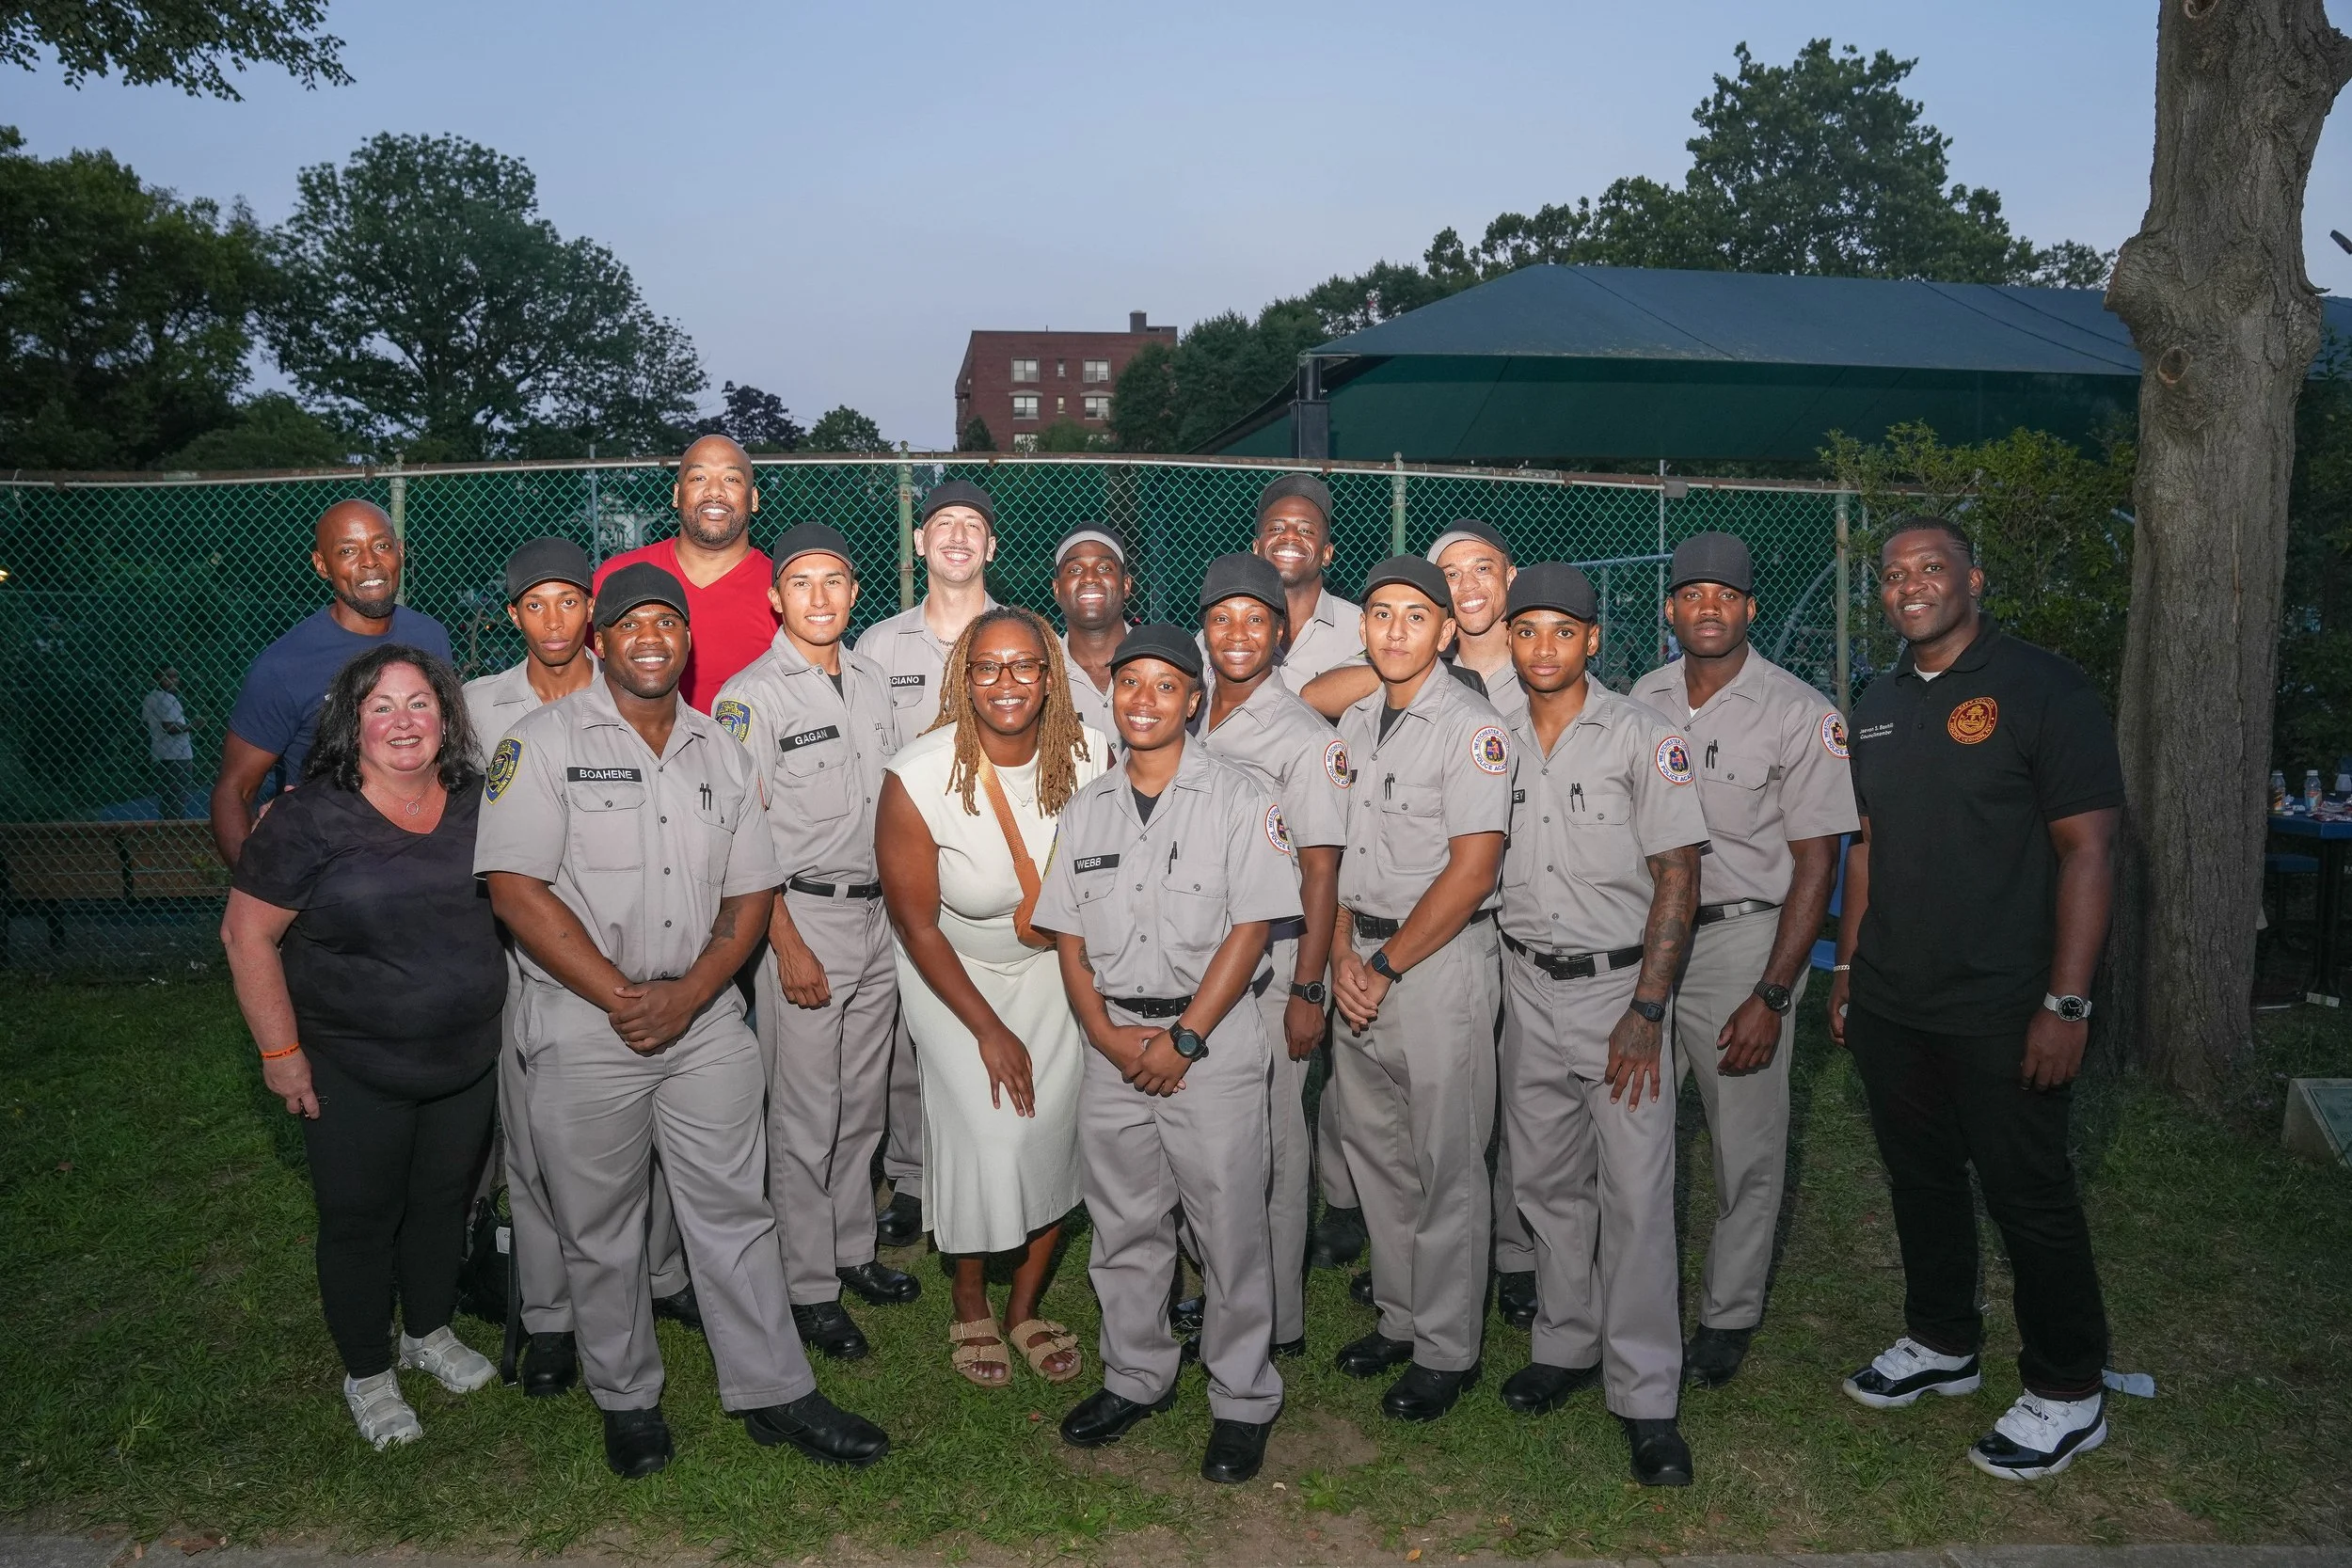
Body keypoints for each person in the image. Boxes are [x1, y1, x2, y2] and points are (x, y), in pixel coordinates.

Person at [475, 562, 887, 1479]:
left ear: (686, 641)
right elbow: (514, 888)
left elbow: (750, 894)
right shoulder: (539, 745)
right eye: (631, 624)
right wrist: (621, 995)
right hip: (585, 1018)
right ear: (602, 640)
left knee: (734, 1210)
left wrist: (694, 991)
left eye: (668, 622)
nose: (652, 637)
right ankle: (627, 1397)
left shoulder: (721, 751)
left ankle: (774, 1388)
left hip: (702, 1020)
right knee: (602, 1223)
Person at [1829, 516, 2122, 1482]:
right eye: (1893, 573)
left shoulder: (2043, 687)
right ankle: (1942, 1339)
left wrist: (2065, 1004)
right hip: (1892, 998)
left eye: (1931, 567)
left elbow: (2088, 848)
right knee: (1919, 1180)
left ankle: (2068, 1388)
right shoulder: (1875, 701)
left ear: (1972, 578)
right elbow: (1864, 840)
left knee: (2027, 1195)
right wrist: (1847, 971)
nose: (1910, 584)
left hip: (2006, 1002)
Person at [219, 644, 504, 1451]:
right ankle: (367, 1371)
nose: (403, 721)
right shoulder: (309, 816)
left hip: (464, 1058)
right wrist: (282, 1056)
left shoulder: (480, 804)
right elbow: (246, 936)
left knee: (444, 1204)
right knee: (359, 1219)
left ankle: (428, 1330)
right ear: (353, 722)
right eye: (381, 706)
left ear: (446, 716)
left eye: (419, 703)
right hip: (352, 1064)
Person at [1034, 623, 1297, 1482]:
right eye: (1129, 684)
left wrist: (1185, 1038)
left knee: (1228, 1226)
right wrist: (1107, 1036)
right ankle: (1138, 1373)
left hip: (1209, 1044)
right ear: (1111, 698)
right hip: (1115, 1040)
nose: (1144, 700)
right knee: (1123, 1221)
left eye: (1164, 685)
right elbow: (1068, 937)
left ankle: (1241, 1392)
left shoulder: (1239, 797)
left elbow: (1253, 926)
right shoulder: (1087, 808)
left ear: (1194, 698)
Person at [462, 538, 698, 1397]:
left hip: (645, 953)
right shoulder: (480, 707)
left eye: (571, 601)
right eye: (537, 603)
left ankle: (661, 1279)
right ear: (515, 613)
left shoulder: (632, 696)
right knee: (535, 1147)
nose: (555, 619)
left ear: (591, 620)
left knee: (663, 1142)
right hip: (536, 963)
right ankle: (551, 1315)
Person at [1491, 563, 1705, 1488]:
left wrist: (1648, 1008)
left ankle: (1647, 1394)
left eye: (1560, 630)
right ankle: (1565, 1341)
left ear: (1592, 640)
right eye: (1526, 629)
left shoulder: (1641, 736)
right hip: (1523, 985)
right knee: (1544, 1183)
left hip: (1619, 990)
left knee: (1637, 1194)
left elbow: (1677, 876)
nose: (1543, 646)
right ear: (1510, 638)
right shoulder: (1492, 740)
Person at [1628, 532, 1855, 1389]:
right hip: (1650, 939)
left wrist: (1774, 990)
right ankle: (1633, 1291)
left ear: (1750, 609)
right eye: (1693, 593)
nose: (1709, 606)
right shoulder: (1638, 698)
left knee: (1744, 1142)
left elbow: (1817, 864)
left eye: (1726, 594)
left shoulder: (1801, 712)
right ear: (1671, 608)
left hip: (1739, 941)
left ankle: (1727, 1313)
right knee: (1637, 1129)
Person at [1305, 519, 1533, 1325]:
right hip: (1356, 954)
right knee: (1378, 1152)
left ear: (1445, 632)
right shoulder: (1354, 724)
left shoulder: (1476, 731)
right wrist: (1340, 954)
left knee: (1447, 1160)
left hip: (1434, 966)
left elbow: (1472, 873)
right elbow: (1333, 853)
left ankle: (1446, 1345)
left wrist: (1383, 967)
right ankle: (1400, 1317)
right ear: (1361, 628)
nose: (1396, 630)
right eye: (1380, 614)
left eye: (1415, 615)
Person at [874, 606, 1107, 1388]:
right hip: (953, 975)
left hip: (1056, 972)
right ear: (963, 678)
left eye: (1023, 666)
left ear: (1050, 676)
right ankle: (970, 1294)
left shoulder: (1091, 754)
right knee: (990, 1131)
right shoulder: (917, 775)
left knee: (1054, 1127)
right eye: (987, 667)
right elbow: (914, 922)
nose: (1006, 682)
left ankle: (1025, 1306)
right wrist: (986, 1029)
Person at [713, 524, 915, 1365]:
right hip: (802, 915)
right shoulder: (750, 696)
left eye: (834, 581)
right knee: (804, 1112)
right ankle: (806, 1285)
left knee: (861, 1100)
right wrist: (783, 942)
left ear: (855, 593)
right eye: (802, 583)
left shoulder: (873, 681)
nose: (820, 597)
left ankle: (849, 1247)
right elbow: (739, 832)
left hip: (879, 915)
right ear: (775, 597)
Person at [1196, 553, 1347, 1359]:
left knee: (1276, 1145)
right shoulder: (1189, 714)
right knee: (1212, 1140)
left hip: (1271, 968)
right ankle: (1218, 1287)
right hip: (1196, 958)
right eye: (1222, 618)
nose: (1238, 634)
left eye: (1256, 619)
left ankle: (1279, 1314)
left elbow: (1322, 870)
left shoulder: (1302, 736)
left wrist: (1308, 988)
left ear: (1282, 634)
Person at [858, 478, 1001, 1247]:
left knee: (1003, 1021)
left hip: (996, 870)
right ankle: (913, 1178)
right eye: (942, 522)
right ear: (919, 543)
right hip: (909, 873)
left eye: (971, 525)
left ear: (989, 547)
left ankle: (997, 1161)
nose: (955, 535)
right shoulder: (880, 646)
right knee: (911, 1031)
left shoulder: (1020, 635)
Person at [1245, 473, 1372, 1282]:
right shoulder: (1229, 622)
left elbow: (1397, 672)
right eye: (1277, 525)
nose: (1291, 536)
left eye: (1307, 527)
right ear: (1260, 543)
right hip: (1253, 877)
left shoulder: (1366, 625)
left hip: (1343, 852)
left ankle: (1345, 1198)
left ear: (1325, 548)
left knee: (1343, 1059)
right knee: (1275, 1070)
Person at [211, 499, 453, 867]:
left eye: (381, 545)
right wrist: (256, 890)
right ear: (322, 565)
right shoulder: (284, 665)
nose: (370, 561)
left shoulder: (431, 636)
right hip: (331, 869)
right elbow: (234, 790)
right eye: (348, 551)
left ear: (400, 552)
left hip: (427, 854)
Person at [592, 435, 778, 714]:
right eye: (698, 478)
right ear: (677, 495)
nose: (714, 491)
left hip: (750, 755)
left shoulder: (783, 590)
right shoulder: (617, 576)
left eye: (731, 479)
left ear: (753, 499)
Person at [1050, 525, 1132, 741]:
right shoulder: (1040, 672)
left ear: (1126, 585)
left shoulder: (1162, 662)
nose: (1089, 578)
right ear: (1057, 589)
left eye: (1104, 568)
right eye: (1075, 570)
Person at [142, 665, 196, 819]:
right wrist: (194, 725)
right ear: (157, 679)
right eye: (168, 677)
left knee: (167, 797)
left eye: (175, 676)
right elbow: (170, 727)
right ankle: (176, 832)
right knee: (178, 796)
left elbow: (146, 723)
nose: (174, 680)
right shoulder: (167, 699)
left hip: (159, 752)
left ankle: (168, 831)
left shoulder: (150, 698)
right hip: (177, 754)